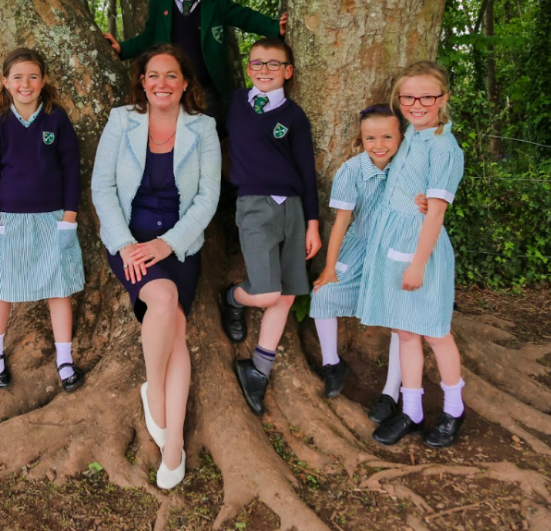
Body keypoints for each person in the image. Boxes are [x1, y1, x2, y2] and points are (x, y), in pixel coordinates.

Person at [91, 44, 221, 490]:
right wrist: (127, 245)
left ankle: (168, 431)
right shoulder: (121, 121)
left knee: (177, 326)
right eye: (153, 75)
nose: (161, 83)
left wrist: (169, 244)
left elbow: (208, 197)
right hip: (129, 242)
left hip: (179, 245)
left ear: (185, 83)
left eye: (171, 75)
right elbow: (102, 188)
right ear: (141, 82)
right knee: (162, 300)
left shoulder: (203, 129)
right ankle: (168, 430)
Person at [357, 62, 467, 448]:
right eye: (408, 97)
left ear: (444, 99)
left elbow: (436, 211)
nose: (417, 104)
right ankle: (413, 410)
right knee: (405, 331)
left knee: (436, 332)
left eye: (427, 96)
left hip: (423, 249)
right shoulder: (410, 136)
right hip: (393, 243)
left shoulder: (444, 147)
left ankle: (453, 410)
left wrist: (418, 263)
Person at [219, 38, 321, 415]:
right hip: (254, 205)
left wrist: (312, 222)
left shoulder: (294, 117)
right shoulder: (234, 104)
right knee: (265, 293)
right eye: (257, 63)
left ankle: (258, 370)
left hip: (293, 208)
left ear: (288, 72)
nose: (264, 70)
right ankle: (232, 298)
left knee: (288, 293)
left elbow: (307, 174)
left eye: (273, 64)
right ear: (248, 68)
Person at [0, 48, 86, 392]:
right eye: (18, 77)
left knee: (59, 289)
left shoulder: (56, 119)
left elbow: (72, 169)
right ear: (5, 83)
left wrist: (69, 215)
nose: (26, 84)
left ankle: (65, 358)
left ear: (43, 82)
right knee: (1, 288)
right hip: (8, 220)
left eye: (33, 76)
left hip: (53, 218)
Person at [102, 0, 287, 127]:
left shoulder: (217, 3)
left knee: (210, 130)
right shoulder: (160, 2)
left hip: (207, 88)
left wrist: (275, 28)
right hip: (170, 86)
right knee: (173, 131)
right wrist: (122, 48)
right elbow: (148, 38)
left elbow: (247, 18)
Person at [311, 104, 409, 415]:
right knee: (324, 294)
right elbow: (341, 221)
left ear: (401, 137)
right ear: (361, 138)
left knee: (401, 317)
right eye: (370, 138)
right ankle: (332, 365)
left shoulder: (409, 169)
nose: (379, 146)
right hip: (359, 245)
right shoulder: (352, 170)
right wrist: (329, 267)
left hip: (395, 249)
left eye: (387, 137)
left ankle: (391, 392)